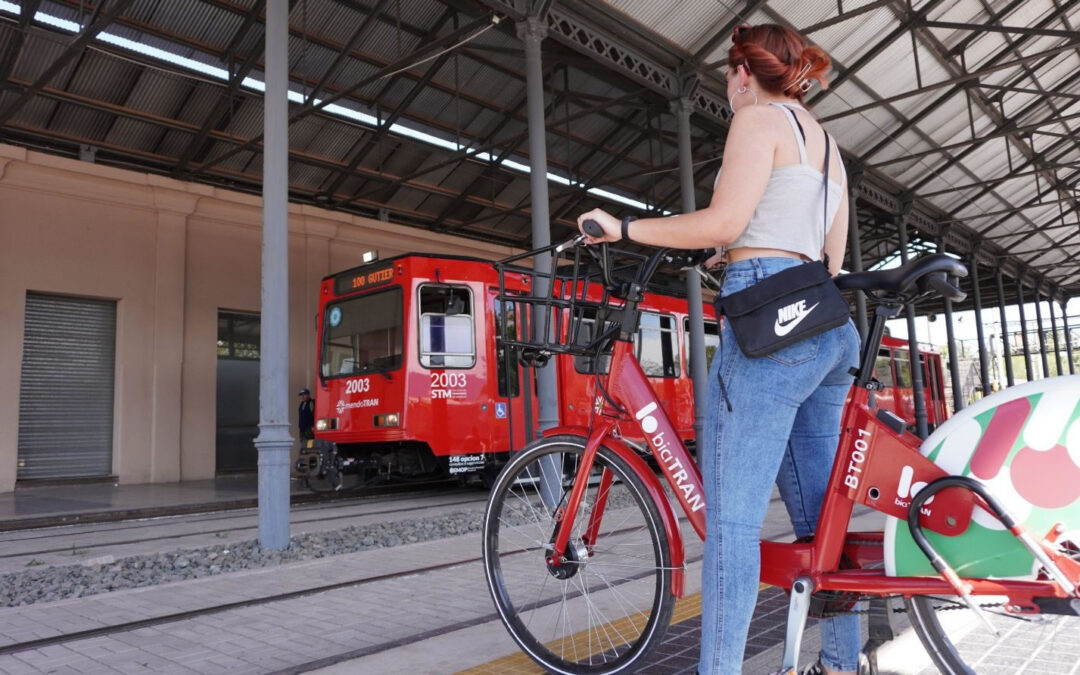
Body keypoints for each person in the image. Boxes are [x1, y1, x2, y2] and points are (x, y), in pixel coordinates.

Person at [577, 23, 861, 675]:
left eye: (727, 80)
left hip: (769, 331)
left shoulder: (757, 120)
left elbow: (726, 220)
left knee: (732, 526)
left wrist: (621, 227)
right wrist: (736, 251)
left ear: (741, 74)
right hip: (825, 325)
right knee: (822, 520)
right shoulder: (826, 143)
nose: (729, 91)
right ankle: (843, 662)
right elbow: (828, 256)